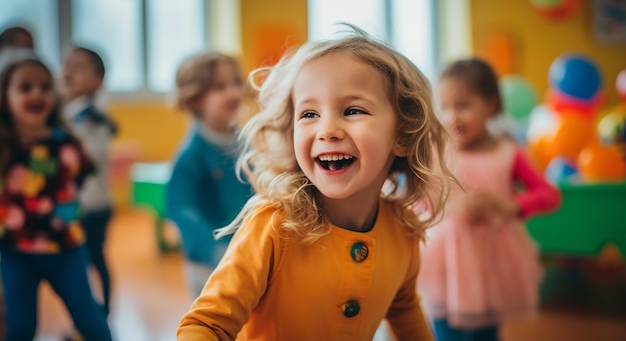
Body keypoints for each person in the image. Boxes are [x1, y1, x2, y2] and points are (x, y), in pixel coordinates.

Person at [177, 26, 453, 340]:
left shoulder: (402, 231)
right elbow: (206, 325)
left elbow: (403, 308)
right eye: (309, 113)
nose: (327, 130)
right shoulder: (274, 226)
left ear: (402, 136)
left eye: (352, 110)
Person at [418, 58, 562, 341]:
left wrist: (509, 204)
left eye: (462, 105)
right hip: (446, 261)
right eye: (444, 107)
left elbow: (549, 195)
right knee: (446, 332)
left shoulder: (508, 152)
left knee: (486, 333)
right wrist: (447, 207)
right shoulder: (435, 152)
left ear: (491, 104)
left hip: (492, 261)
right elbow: (416, 200)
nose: (451, 117)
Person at [0, 53, 112, 340]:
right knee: (21, 326)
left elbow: (83, 174)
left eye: (45, 87)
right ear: (6, 98)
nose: (37, 93)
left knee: (90, 320)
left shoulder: (67, 143)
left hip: (66, 249)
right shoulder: (5, 148)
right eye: (25, 88)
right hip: (16, 251)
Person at [166, 52, 252, 298]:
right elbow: (182, 211)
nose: (233, 92)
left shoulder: (246, 141)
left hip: (247, 254)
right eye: (220, 87)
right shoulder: (191, 155)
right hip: (211, 267)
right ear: (193, 101)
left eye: (236, 82)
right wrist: (216, 253)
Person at [62, 45, 117, 317]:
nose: (68, 72)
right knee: (81, 261)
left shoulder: (93, 113)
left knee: (92, 258)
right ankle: (89, 313)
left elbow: (91, 155)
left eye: (78, 67)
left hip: (94, 205)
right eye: (67, 65)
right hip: (74, 202)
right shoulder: (69, 110)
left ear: (98, 80)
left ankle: (101, 312)